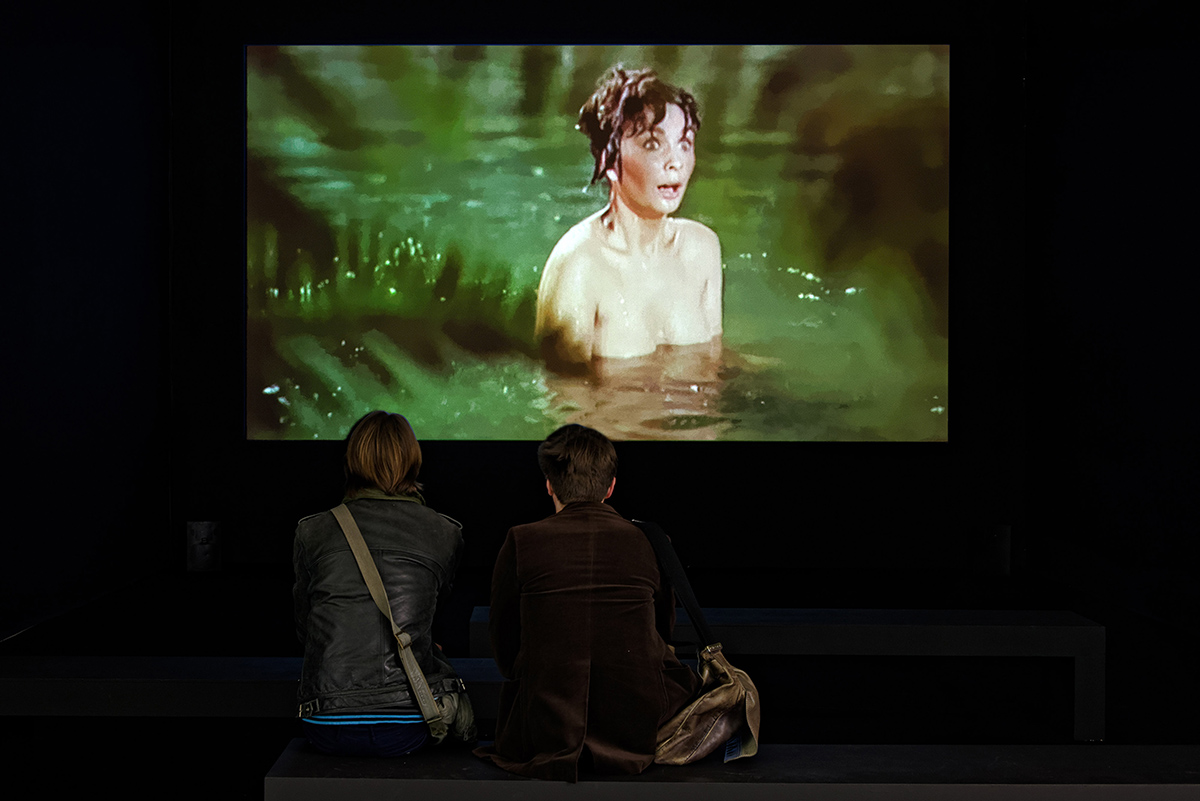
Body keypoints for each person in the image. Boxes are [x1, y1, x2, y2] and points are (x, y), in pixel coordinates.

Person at [474, 424, 702, 781]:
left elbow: (504, 646)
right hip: (637, 730)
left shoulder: (521, 540)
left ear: (549, 485)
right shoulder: (650, 542)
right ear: (610, 487)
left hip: (543, 731)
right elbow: (660, 634)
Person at [293, 410, 469, 756]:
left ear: (351, 460)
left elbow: (305, 630)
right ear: (413, 460)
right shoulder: (444, 532)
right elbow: (432, 619)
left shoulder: (312, 531)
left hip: (326, 721)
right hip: (411, 722)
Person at [536, 66, 723, 374]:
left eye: (685, 144)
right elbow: (565, 393)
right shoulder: (579, 267)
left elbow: (713, 366)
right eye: (653, 144)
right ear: (609, 160)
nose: (675, 161)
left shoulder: (702, 249)